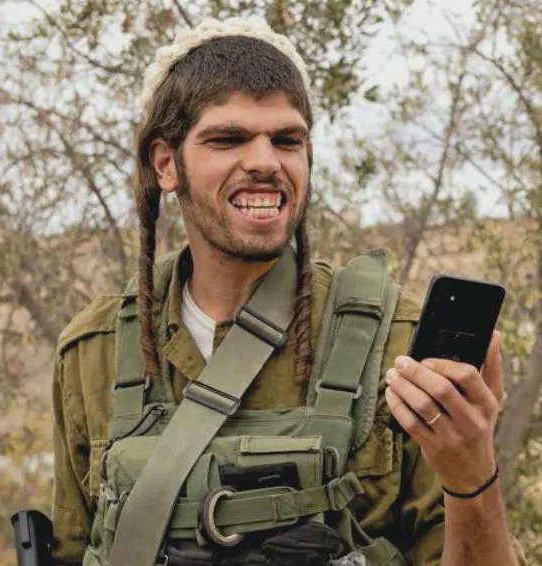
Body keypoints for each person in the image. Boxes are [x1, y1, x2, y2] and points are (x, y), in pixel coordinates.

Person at [51, 17, 525, 566]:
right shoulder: (97, 351)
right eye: (227, 139)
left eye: (286, 140)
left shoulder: (397, 348)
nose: (264, 162)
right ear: (166, 164)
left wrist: (472, 475)